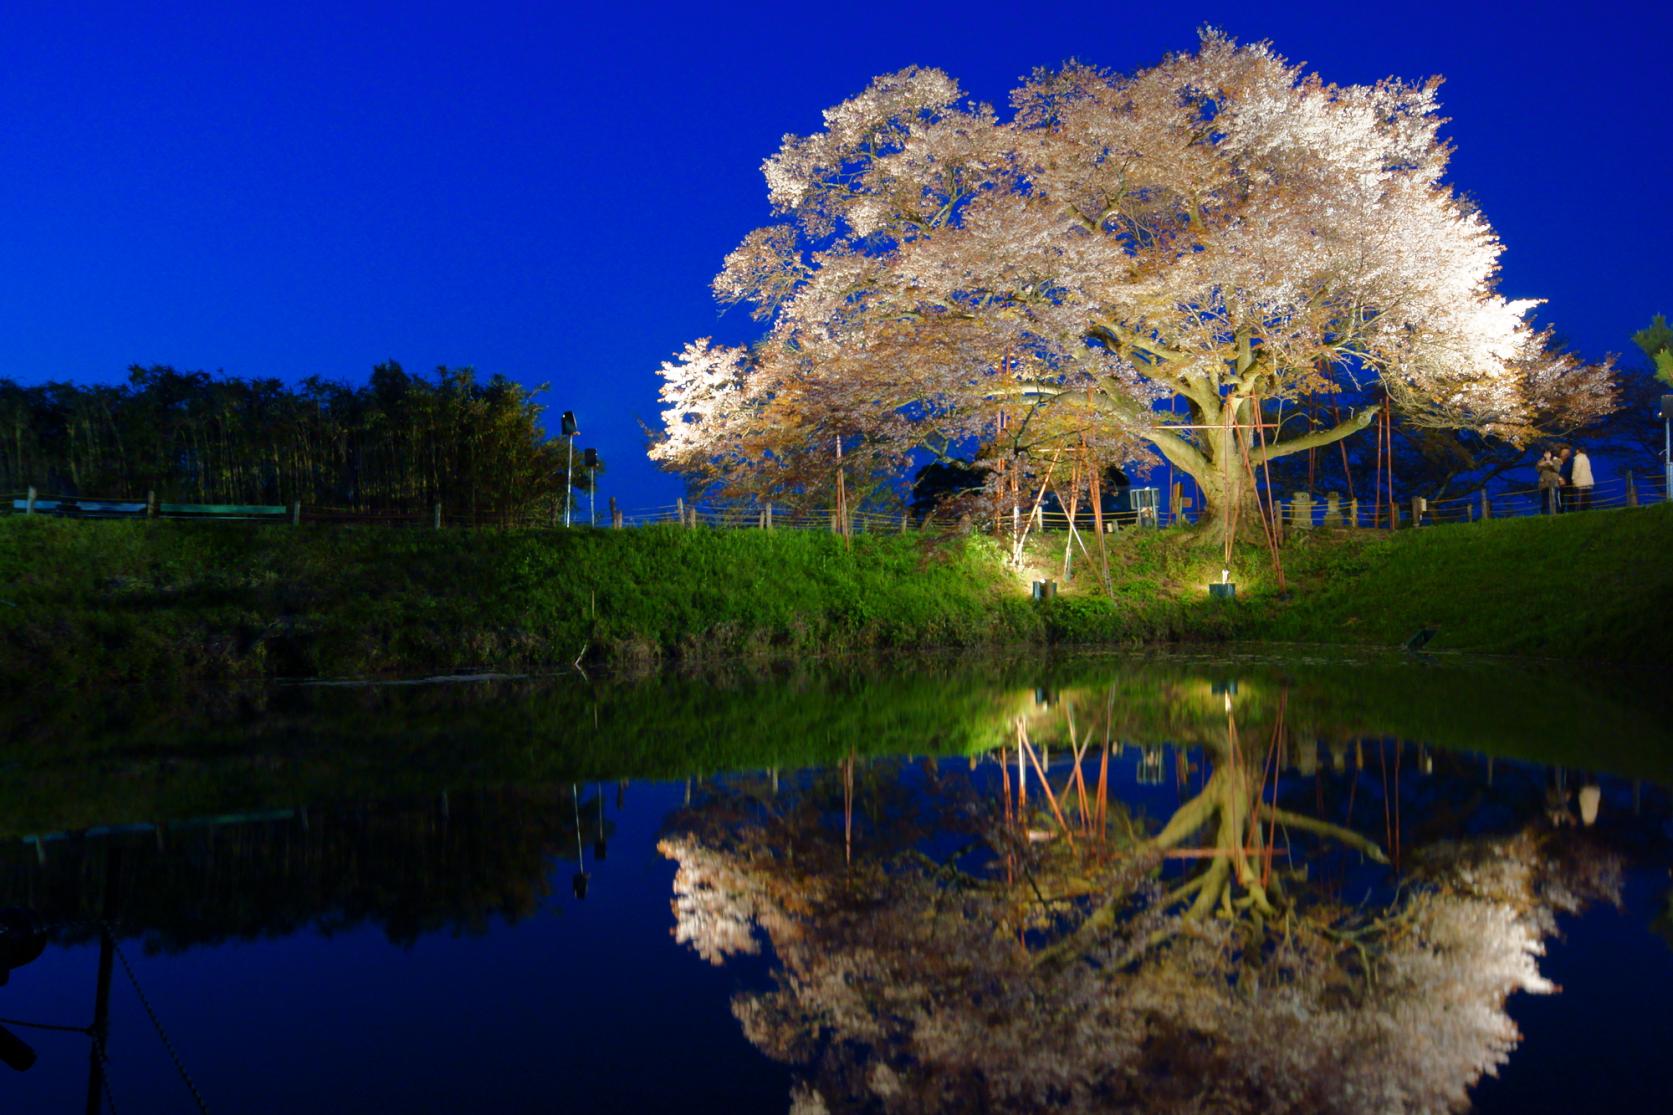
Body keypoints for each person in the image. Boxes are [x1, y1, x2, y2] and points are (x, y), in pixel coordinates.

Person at [1536, 448, 1562, 513]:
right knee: (1545, 501)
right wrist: (1542, 465)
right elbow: (1537, 470)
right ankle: (1544, 515)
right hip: (1544, 484)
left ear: (1551, 454)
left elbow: (1558, 470)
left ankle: (1558, 514)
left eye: (1548, 453)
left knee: (1555, 500)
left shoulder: (1556, 460)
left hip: (1554, 483)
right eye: (1545, 453)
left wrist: (1551, 464)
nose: (1547, 455)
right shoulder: (1540, 461)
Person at [1571, 446, 1594, 511]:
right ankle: (1588, 512)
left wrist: (1573, 479)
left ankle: (1580, 513)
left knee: (1580, 500)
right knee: (1587, 499)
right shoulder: (1586, 458)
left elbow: (1576, 470)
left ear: (1578, 451)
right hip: (1588, 481)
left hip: (1580, 482)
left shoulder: (1578, 459)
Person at [1557, 446, 1576, 512]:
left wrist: (1564, 478)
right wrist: (1559, 478)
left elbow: (1570, 470)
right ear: (1560, 453)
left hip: (1569, 484)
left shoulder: (1571, 461)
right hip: (1559, 485)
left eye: (1567, 452)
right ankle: (1561, 512)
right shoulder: (1557, 461)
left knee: (1570, 499)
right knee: (1560, 500)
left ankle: (1572, 513)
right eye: (1564, 452)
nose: (1565, 454)